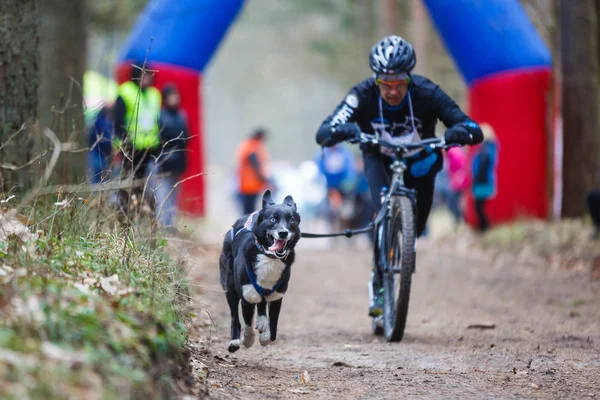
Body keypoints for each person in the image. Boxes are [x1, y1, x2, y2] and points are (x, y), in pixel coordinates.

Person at [314, 35, 483, 316]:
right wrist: (345, 131)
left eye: (400, 84)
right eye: (386, 84)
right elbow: (324, 131)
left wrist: (457, 132)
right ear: (376, 79)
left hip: (420, 161)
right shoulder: (362, 94)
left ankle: (404, 246)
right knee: (382, 215)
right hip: (378, 158)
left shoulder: (427, 92)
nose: (392, 91)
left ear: (410, 78)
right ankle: (379, 283)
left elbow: (472, 127)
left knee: (417, 224)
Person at [113, 61, 162, 215]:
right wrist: (124, 141)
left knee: (148, 185)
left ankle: (147, 214)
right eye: (143, 75)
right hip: (131, 148)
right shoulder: (125, 92)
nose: (146, 78)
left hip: (151, 148)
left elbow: (158, 121)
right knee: (129, 183)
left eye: (148, 75)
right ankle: (125, 212)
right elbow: (118, 121)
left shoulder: (155, 95)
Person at [149, 84, 189, 230]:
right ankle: (162, 227)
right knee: (162, 196)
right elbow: (160, 139)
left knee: (174, 196)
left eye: (175, 95)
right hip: (163, 163)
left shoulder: (182, 115)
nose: (174, 98)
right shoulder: (160, 116)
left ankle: (170, 226)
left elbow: (186, 137)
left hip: (178, 163)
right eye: (171, 95)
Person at [235, 128, 272, 215]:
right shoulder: (251, 146)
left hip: (249, 185)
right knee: (249, 211)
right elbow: (255, 165)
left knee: (248, 210)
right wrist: (264, 180)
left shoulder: (249, 145)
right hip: (250, 185)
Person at [471, 123, 499, 233]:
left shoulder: (486, 149)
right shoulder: (489, 147)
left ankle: (485, 227)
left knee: (478, 207)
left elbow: (482, 166)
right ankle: (483, 227)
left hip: (482, 182)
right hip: (484, 180)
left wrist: (476, 179)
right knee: (479, 207)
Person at [87, 105, 114, 184]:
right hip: (98, 153)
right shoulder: (102, 123)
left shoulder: (98, 121)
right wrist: (109, 149)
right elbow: (105, 140)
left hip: (97, 153)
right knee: (98, 176)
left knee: (97, 177)